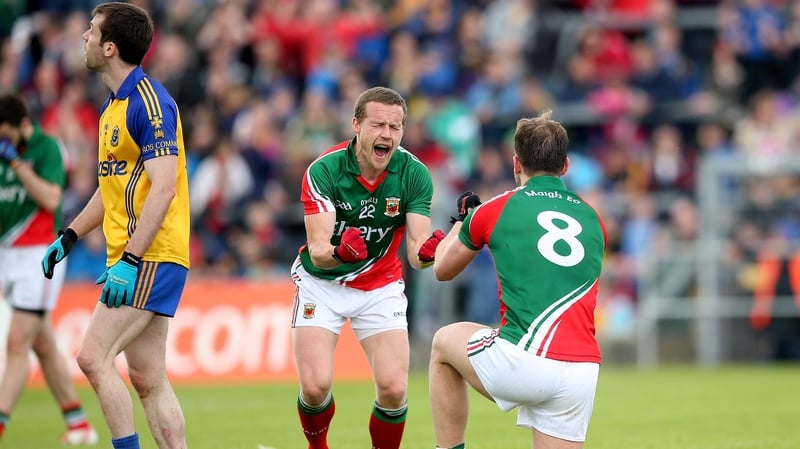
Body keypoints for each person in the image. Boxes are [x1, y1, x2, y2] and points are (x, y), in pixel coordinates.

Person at [40, 3, 191, 449]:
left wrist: (129, 260)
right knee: (147, 378)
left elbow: (163, 189)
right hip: (138, 256)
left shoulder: (151, 103)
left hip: (150, 254)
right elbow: (111, 190)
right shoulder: (114, 106)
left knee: (92, 358)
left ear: (109, 47)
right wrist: (69, 235)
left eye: (91, 31)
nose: (83, 37)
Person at [430, 110, 607, 449]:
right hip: (581, 370)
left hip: (523, 359)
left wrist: (461, 222)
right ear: (566, 166)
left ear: (515, 164)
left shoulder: (497, 208)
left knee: (442, 343)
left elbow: (442, 268)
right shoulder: (593, 218)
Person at [291, 86, 444, 449]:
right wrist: (342, 253)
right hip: (322, 283)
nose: (387, 135)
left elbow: (416, 254)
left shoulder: (414, 174)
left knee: (394, 388)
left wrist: (433, 249)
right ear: (356, 124)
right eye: (378, 125)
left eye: (395, 127)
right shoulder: (323, 171)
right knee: (315, 387)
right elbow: (318, 249)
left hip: (380, 285)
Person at [0, 94, 98, 445]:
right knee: (42, 344)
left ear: (21, 125)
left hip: (38, 257)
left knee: (16, 344)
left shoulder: (46, 148)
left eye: (6, 135)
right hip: (8, 255)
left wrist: (17, 166)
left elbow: (52, 199)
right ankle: (79, 424)